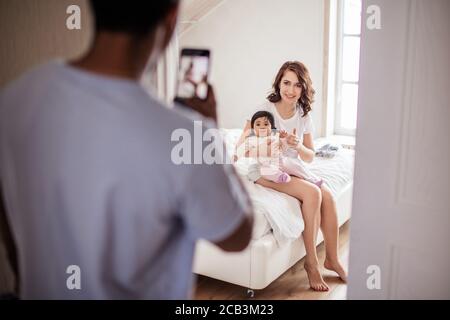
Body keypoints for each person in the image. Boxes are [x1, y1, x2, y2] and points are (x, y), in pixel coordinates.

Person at [0, 1, 253, 299]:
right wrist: (210, 130)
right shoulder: (186, 136)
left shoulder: (14, 99)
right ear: (171, 18)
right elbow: (237, 236)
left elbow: (11, 224)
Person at [235, 61, 347, 291]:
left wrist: (297, 146)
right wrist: (271, 142)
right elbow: (242, 144)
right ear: (279, 83)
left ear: (304, 89)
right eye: (286, 83)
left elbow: (309, 156)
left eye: (297, 85)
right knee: (313, 193)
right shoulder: (264, 109)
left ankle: (332, 260)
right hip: (267, 168)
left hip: (290, 165)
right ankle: (311, 264)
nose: (290, 90)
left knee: (328, 196)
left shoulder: (302, 114)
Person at [238, 110, 323, 186]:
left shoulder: (274, 137)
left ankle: (310, 178)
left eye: (266, 124)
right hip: (266, 164)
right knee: (265, 171)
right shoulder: (253, 140)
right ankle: (280, 177)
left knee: (296, 166)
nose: (262, 126)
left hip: (282, 161)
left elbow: (283, 148)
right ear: (253, 128)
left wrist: (285, 140)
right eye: (258, 124)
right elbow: (245, 152)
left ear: (271, 127)